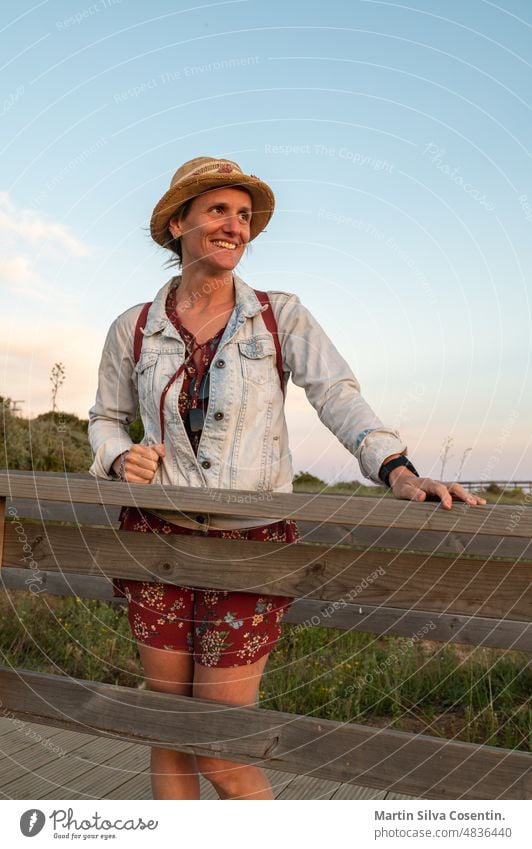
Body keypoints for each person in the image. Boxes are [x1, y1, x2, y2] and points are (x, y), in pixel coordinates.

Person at [88, 156, 486, 800]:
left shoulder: (279, 316)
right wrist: (116, 455)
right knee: (168, 729)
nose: (235, 227)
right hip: (154, 539)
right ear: (177, 223)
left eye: (244, 217)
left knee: (219, 746)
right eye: (218, 210)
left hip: (252, 544)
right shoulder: (132, 328)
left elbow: (338, 396)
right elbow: (106, 417)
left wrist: (398, 471)